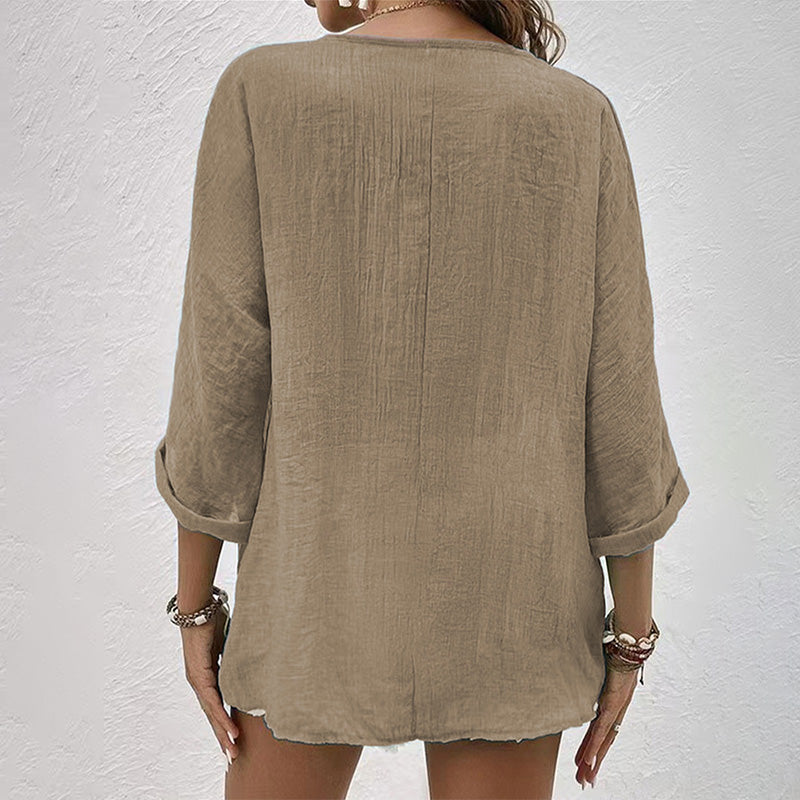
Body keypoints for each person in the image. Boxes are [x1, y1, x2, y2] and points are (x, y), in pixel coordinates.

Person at [154, 1, 690, 797]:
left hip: (314, 591)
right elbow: (620, 394)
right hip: (515, 602)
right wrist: (630, 635)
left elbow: (221, 377)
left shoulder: (263, 90)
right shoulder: (576, 115)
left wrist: (197, 609)